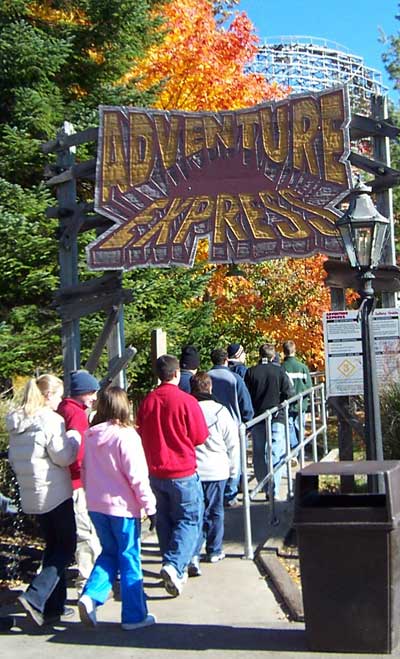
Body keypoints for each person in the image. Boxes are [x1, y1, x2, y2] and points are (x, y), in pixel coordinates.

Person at [78, 386, 157, 631]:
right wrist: (149, 506)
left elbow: (85, 470)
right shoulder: (127, 436)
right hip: (122, 507)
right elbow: (137, 476)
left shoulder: (90, 436)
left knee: (109, 553)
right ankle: (134, 616)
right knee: (129, 557)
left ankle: (91, 594)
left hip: (96, 504)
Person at [7, 374, 80, 626]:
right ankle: (36, 596)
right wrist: (74, 440)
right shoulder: (51, 420)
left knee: (53, 547)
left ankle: (53, 608)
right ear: (48, 395)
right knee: (66, 547)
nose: (60, 401)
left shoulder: (18, 422)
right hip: (54, 492)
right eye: (58, 396)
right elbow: (63, 457)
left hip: (31, 494)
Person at [137, 354, 208, 597]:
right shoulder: (187, 401)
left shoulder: (147, 402)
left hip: (156, 472)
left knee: (165, 522)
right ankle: (175, 565)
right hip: (183, 471)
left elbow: (141, 433)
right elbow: (199, 436)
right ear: (177, 373)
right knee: (189, 520)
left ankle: (174, 568)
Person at [188, 372, 240, 575]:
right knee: (215, 510)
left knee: (195, 512)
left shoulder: (187, 409)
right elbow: (232, 443)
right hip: (217, 468)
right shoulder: (221, 411)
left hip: (192, 468)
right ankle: (214, 549)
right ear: (210, 388)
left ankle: (193, 551)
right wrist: (234, 471)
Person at [58, 369, 101, 596]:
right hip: (77, 482)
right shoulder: (75, 415)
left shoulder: (64, 409)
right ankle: (86, 584)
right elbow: (78, 452)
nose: (94, 397)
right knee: (86, 533)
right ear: (81, 392)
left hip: (67, 482)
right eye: (92, 392)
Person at [245, 344, 293, 499]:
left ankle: (263, 485)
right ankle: (273, 489)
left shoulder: (251, 372)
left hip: (257, 417)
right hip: (277, 416)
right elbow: (289, 393)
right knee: (275, 452)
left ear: (260, 355)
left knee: (259, 453)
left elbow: (246, 396)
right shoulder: (279, 371)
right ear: (273, 357)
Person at [208, 348, 253, 507]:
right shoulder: (234, 379)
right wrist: (247, 423)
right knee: (235, 459)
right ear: (226, 360)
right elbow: (245, 404)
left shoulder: (205, 378)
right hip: (234, 425)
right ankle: (230, 493)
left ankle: (215, 493)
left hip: (209, 426)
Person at [282, 340, 312, 450]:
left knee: (289, 426)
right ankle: (300, 449)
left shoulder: (282, 368)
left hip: (287, 403)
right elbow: (309, 386)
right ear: (295, 350)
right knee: (300, 426)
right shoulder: (302, 367)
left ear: (283, 352)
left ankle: (294, 450)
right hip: (301, 403)